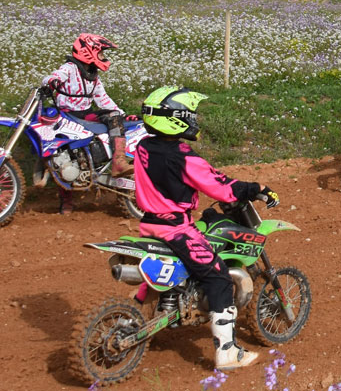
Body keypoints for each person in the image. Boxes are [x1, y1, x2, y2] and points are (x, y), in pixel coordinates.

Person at [134, 86, 279, 371]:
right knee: (218, 278)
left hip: (148, 224)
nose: (194, 120)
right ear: (176, 118)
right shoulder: (185, 157)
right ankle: (227, 352)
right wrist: (257, 188)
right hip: (175, 228)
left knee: (186, 269)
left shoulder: (142, 147)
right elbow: (222, 187)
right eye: (190, 114)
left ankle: (147, 305)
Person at [40, 34, 126, 214]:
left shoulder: (93, 75)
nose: (103, 57)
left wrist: (122, 114)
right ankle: (66, 201)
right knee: (63, 155)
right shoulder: (70, 68)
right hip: (65, 115)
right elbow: (55, 76)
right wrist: (51, 81)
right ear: (88, 52)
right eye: (100, 53)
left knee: (114, 117)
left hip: (85, 115)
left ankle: (119, 161)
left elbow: (103, 99)